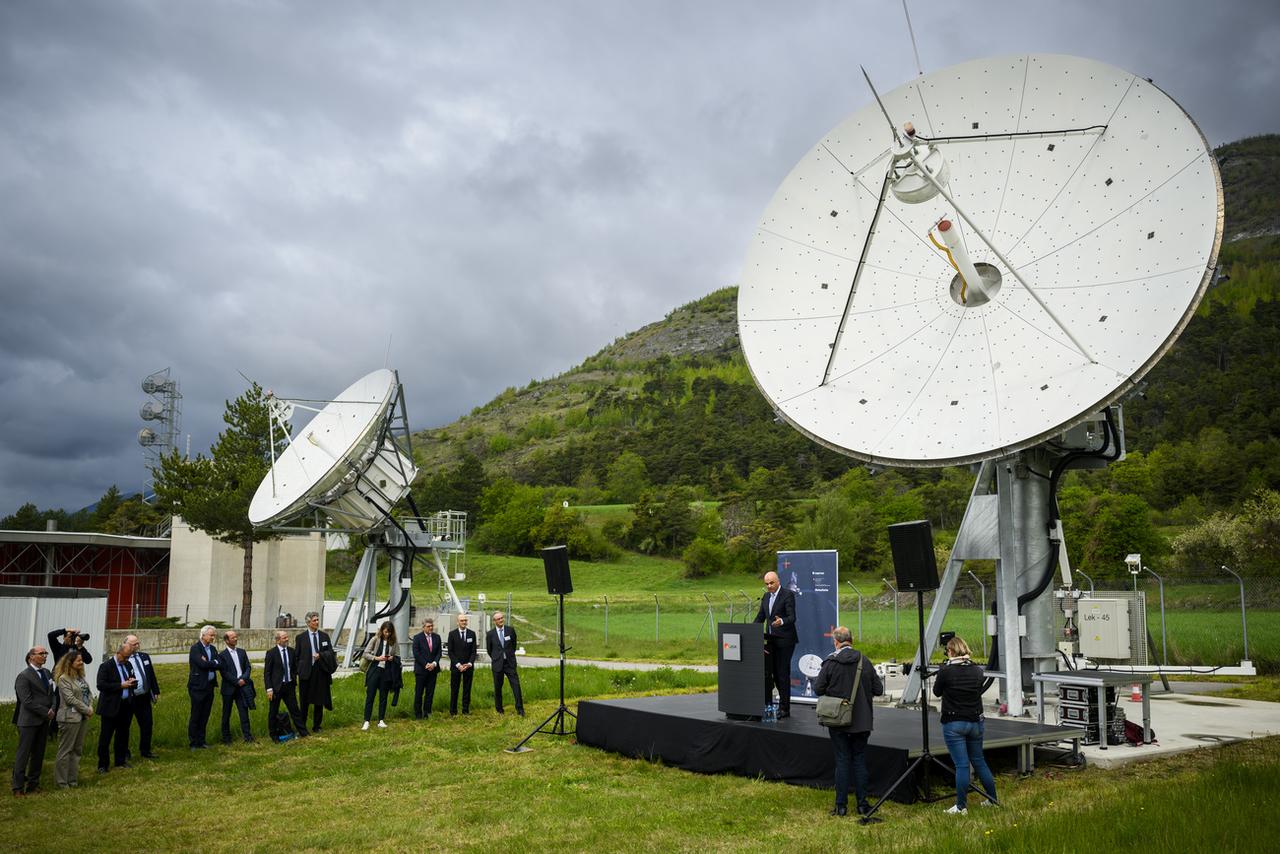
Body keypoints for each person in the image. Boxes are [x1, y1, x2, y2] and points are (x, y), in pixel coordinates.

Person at [813, 626, 884, 818]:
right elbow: (878, 690)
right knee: (859, 760)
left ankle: (841, 806)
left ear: (836, 642)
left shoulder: (830, 662)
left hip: (838, 721)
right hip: (862, 721)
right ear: (851, 640)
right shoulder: (865, 661)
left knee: (842, 761)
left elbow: (818, 689)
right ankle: (862, 805)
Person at [932, 635, 998, 814]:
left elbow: (936, 692)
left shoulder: (946, 671)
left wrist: (942, 670)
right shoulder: (977, 671)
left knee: (962, 765)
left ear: (951, 651)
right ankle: (992, 799)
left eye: (947, 650)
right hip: (975, 721)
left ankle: (961, 806)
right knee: (979, 761)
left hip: (954, 722)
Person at [754, 570, 798, 719]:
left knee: (782, 674)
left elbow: (792, 617)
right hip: (771, 641)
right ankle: (770, 705)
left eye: (771, 583)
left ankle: (785, 708)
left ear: (778, 581)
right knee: (771, 674)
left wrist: (782, 621)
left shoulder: (787, 595)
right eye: (766, 584)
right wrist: (750, 630)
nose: (769, 586)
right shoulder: (766, 597)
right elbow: (761, 617)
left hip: (785, 641)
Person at [12, 646, 54, 795]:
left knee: (39, 753)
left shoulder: (47, 673)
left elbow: (52, 694)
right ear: (31, 657)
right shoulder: (24, 676)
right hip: (29, 721)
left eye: (45, 653)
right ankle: (17, 787)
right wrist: (45, 711)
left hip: (44, 720)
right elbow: (26, 701)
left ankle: (33, 784)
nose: (44, 656)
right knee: (23, 754)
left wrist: (53, 708)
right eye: (41, 653)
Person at [53, 649, 94, 788]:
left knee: (77, 750)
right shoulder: (64, 679)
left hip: (82, 718)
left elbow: (89, 694)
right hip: (69, 718)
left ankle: (72, 780)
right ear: (69, 663)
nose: (81, 662)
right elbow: (70, 699)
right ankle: (61, 782)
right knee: (66, 750)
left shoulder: (80, 677)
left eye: (81, 660)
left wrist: (91, 706)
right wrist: (86, 709)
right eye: (78, 660)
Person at [94, 641, 137, 774]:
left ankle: (120, 760)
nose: (127, 659)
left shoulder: (128, 664)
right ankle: (103, 765)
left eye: (129, 657)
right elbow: (101, 685)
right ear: (118, 653)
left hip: (125, 705)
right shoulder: (106, 666)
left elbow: (131, 679)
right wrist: (120, 686)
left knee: (123, 735)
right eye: (125, 657)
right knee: (105, 737)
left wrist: (132, 683)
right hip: (110, 706)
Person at [264, 629, 308, 740]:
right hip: (276, 687)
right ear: (278, 640)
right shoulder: (271, 653)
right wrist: (269, 689)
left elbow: (294, 667)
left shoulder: (291, 651)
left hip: (289, 686)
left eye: (287, 637)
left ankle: (304, 733)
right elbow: (267, 673)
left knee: (295, 710)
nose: (287, 639)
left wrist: (294, 678)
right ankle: (274, 735)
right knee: (273, 712)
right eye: (284, 638)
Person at [295, 611, 335, 733]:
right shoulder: (301, 638)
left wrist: (321, 655)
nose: (317, 622)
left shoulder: (324, 636)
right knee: (304, 701)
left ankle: (317, 726)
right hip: (306, 673)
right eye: (314, 620)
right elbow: (297, 656)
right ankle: (302, 727)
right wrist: (299, 670)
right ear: (308, 622)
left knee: (319, 700)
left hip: (320, 672)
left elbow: (330, 652)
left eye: (318, 620)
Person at [125, 634, 160, 759]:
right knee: (125, 726)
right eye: (134, 644)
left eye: (138, 643)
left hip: (144, 697)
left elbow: (151, 675)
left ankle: (145, 750)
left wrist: (155, 691)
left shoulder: (144, 656)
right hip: (130, 697)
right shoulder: (124, 658)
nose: (137, 646)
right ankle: (124, 752)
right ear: (127, 645)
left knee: (147, 724)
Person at [218, 630, 255, 743]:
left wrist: (243, 678)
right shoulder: (222, 655)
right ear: (227, 640)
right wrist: (236, 681)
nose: (236, 639)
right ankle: (226, 738)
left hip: (242, 687)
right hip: (229, 689)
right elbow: (224, 672)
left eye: (236, 637)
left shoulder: (242, 652)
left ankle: (248, 737)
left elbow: (248, 667)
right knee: (226, 714)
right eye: (233, 637)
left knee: (244, 713)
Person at [186, 625, 220, 749]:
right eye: (211, 635)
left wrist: (211, 663)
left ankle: (201, 740)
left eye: (214, 635)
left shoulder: (213, 649)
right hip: (197, 687)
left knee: (205, 714)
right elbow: (202, 665)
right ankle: (193, 742)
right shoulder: (196, 648)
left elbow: (219, 663)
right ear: (203, 635)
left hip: (209, 686)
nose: (213, 637)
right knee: (196, 714)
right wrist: (212, 663)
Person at [361, 621, 398, 730]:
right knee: (370, 696)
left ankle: (381, 720)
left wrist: (392, 658)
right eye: (386, 632)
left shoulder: (394, 642)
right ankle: (366, 720)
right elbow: (365, 653)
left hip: (386, 672)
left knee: (383, 697)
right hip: (374, 670)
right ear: (382, 630)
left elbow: (397, 655)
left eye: (389, 632)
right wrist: (376, 658)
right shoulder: (375, 639)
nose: (387, 634)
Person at [487, 611, 524, 716]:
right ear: (494, 621)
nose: (501, 620)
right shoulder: (490, 634)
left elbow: (513, 645)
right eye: (498, 619)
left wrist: (509, 656)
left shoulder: (510, 630)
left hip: (510, 664)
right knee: (498, 687)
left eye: (502, 618)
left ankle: (520, 709)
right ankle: (499, 709)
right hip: (497, 664)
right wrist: (496, 658)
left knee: (516, 686)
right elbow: (490, 650)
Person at [411, 617, 442, 719]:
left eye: (432, 626)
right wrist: (426, 664)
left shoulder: (437, 637)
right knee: (419, 692)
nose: (431, 628)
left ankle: (427, 712)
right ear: (423, 627)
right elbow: (417, 654)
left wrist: (434, 663)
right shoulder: (417, 638)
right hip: (421, 670)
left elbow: (438, 653)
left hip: (433, 670)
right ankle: (418, 713)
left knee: (430, 692)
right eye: (428, 626)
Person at [448, 614, 476, 716]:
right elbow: (450, 652)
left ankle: (465, 710)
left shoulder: (472, 634)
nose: (464, 622)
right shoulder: (452, 634)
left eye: (465, 620)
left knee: (467, 689)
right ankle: (453, 711)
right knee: (454, 689)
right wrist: (458, 665)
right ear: (457, 622)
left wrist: (469, 663)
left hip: (468, 667)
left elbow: (473, 651)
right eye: (462, 620)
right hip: (456, 667)